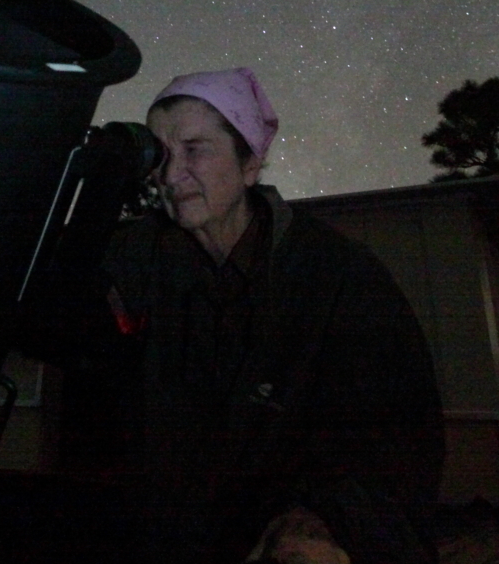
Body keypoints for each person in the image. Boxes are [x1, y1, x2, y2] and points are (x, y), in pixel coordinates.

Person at [96, 68, 445, 564]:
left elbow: (396, 440)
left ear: (250, 163)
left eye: (195, 150)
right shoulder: (138, 257)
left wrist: (324, 521)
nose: (171, 177)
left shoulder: (337, 275)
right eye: (161, 155)